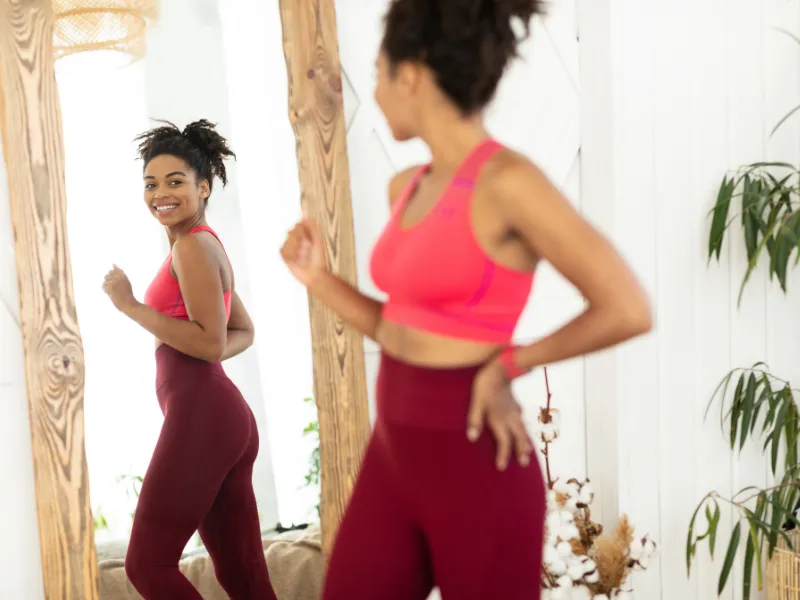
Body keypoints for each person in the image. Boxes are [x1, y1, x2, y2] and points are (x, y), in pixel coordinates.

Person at [280, 1, 653, 599]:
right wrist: (319, 278)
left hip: (478, 466)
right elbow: (399, 327)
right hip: (393, 459)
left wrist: (511, 362)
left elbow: (627, 306)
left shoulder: (509, 183)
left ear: (410, 76)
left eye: (377, 74)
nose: (372, 93)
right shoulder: (409, 186)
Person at [102, 119, 277, 600]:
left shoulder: (192, 247)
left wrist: (131, 306)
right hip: (222, 417)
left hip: (203, 415)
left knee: (148, 565)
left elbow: (210, 344)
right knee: (243, 578)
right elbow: (241, 332)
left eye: (175, 181)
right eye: (151, 183)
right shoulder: (201, 242)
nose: (160, 193)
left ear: (203, 187)